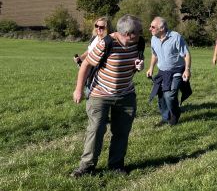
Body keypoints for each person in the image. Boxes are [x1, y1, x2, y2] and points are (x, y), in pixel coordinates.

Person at [71, 14, 143, 177]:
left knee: (121, 131)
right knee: (96, 130)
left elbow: (137, 60)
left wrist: (138, 65)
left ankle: (116, 165)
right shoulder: (106, 43)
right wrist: (79, 89)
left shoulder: (139, 43)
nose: (142, 33)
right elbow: (86, 65)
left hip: (126, 95)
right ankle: (87, 166)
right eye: (139, 31)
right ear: (128, 33)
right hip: (100, 94)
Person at [146, 17, 191, 126]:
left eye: (152, 27)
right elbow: (154, 54)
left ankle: (175, 114)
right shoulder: (153, 39)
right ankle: (166, 118)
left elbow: (186, 54)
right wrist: (151, 67)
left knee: (170, 95)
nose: (150, 29)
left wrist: (187, 70)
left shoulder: (176, 37)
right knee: (161, 96)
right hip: (163, 72)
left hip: (177, 70)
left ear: (161, 28)